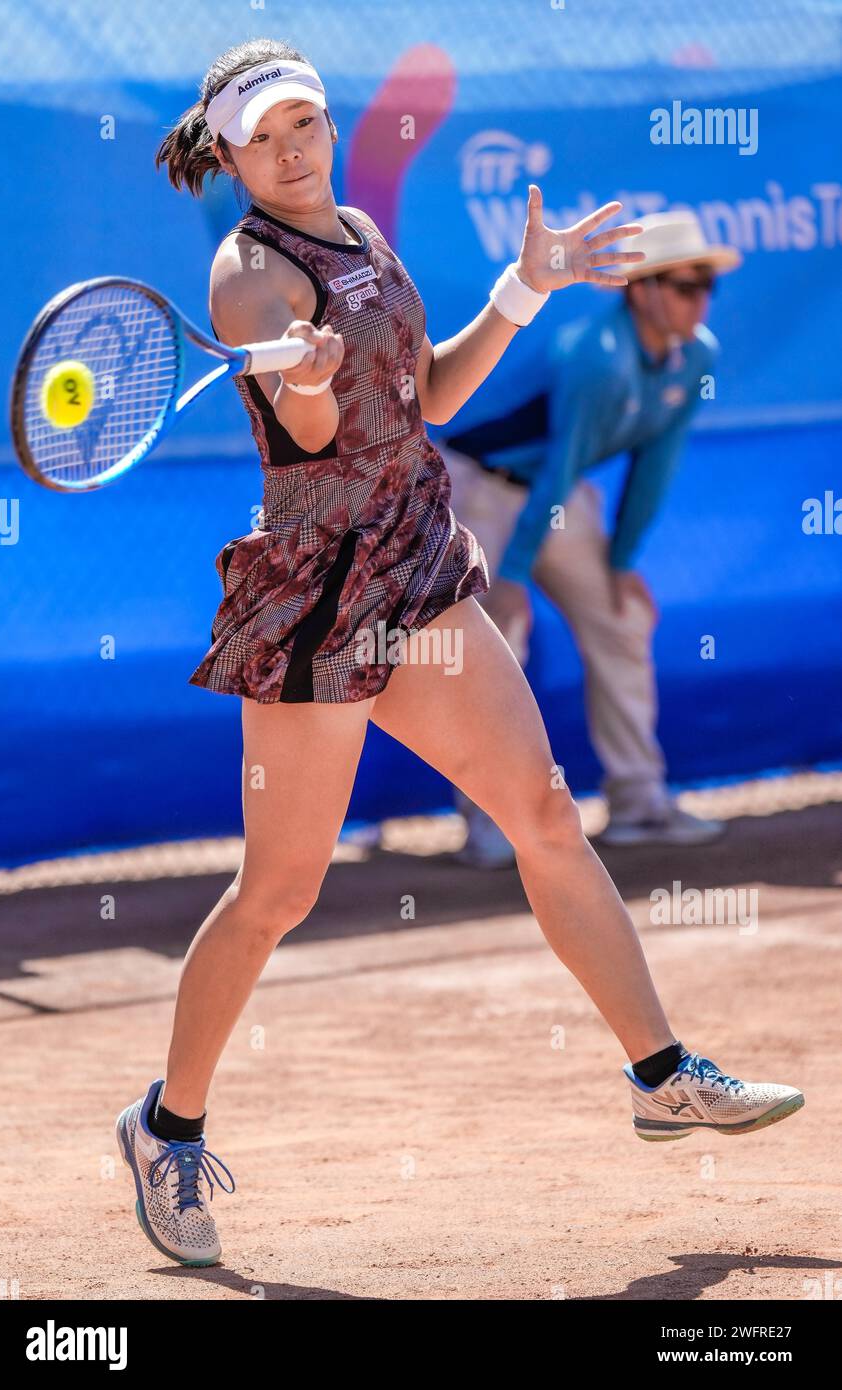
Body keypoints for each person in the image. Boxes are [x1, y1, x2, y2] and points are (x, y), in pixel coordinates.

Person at [113, 39, 803, 1268]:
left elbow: (427, 396)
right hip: (318, 601)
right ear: (225, 153)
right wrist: (309, 377)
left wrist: (520, 292)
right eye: (264, 136)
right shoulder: (243, 274)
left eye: (306, 122)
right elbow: (316, 433)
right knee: (279, 892)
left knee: (542, 811)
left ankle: (657, 1072)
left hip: (417, 572)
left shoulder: (365, 237)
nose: (292, 147)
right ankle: (165, 1127)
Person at [440, 212, 742, 867]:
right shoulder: (595, 358)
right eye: (685, 285)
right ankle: (494, 826)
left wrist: (623, 561)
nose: (699, 300)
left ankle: (640, 805)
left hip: (556, 493)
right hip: (476, 488)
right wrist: (513, 579)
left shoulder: (699, 358)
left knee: (622, 616)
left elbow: (657, 461)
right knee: (499, 641)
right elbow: (561, 463)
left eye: (706, 286)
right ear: (642, 290)